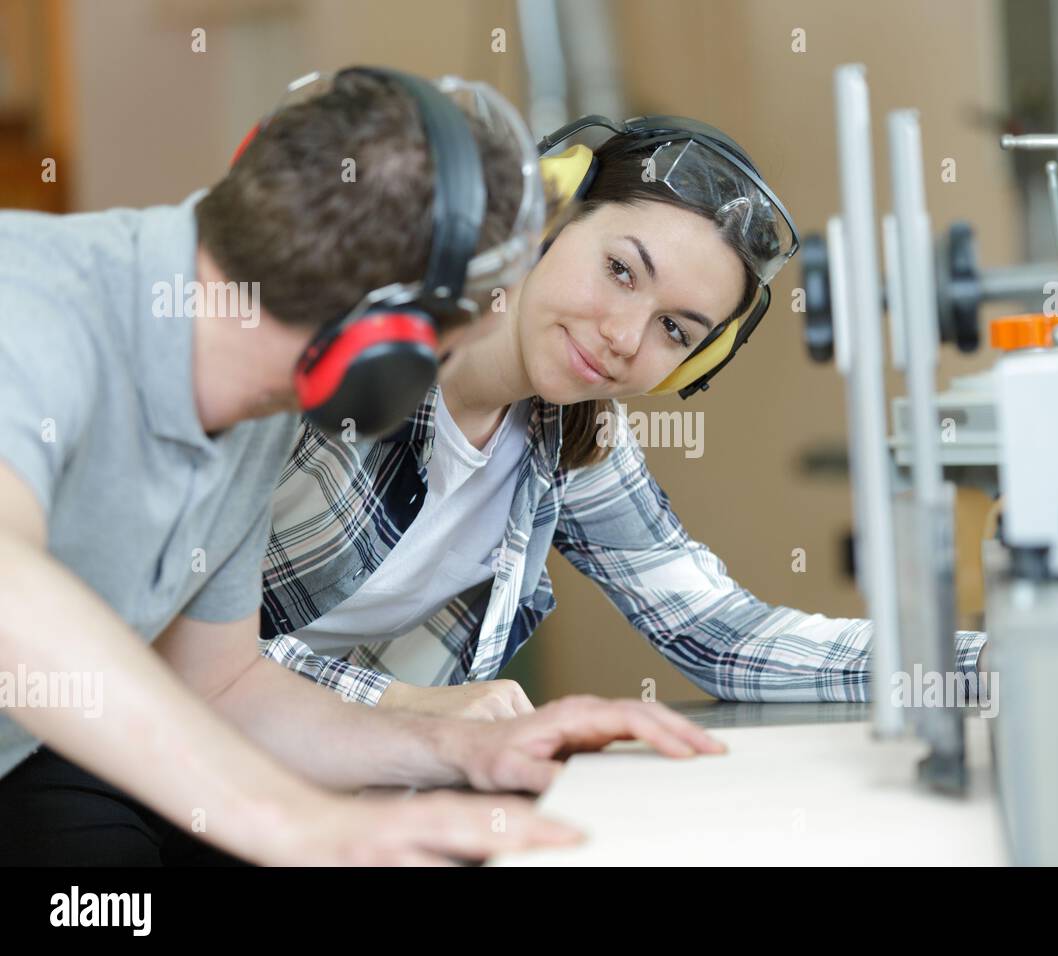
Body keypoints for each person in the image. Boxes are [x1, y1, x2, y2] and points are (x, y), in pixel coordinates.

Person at [0, 69, 721, 867]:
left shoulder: (255, 419)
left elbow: (224, 688)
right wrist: (300, 828)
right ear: (385, 349)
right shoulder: (31, 301)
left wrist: (455, 750)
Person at [257, 115, 989, 719]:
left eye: (676, 330)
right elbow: (173, 625)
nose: (625, 338)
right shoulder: (345, 348)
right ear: (544, 219)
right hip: (160, 755)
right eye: (620, 271)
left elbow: (720, 635)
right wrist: (405, 707)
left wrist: (981, 665)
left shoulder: (574, 433)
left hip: (297, 773)